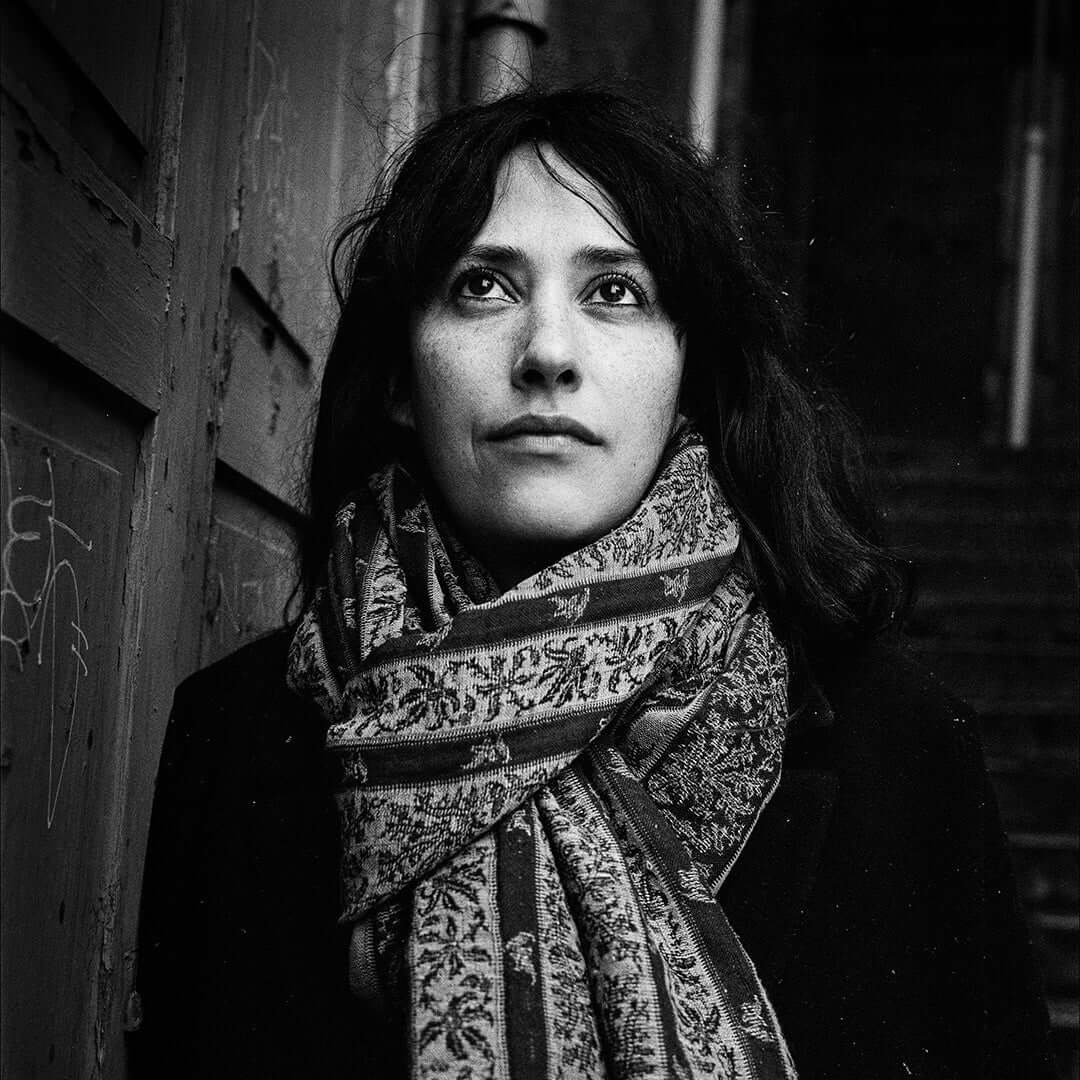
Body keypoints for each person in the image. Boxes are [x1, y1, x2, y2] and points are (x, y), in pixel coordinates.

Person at [130, 88, 1054, 1079]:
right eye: (483, 286)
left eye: (615, 291)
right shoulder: (230, 737)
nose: (548, 354)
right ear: (399, 375)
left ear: (689, 368)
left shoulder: (905, 752)